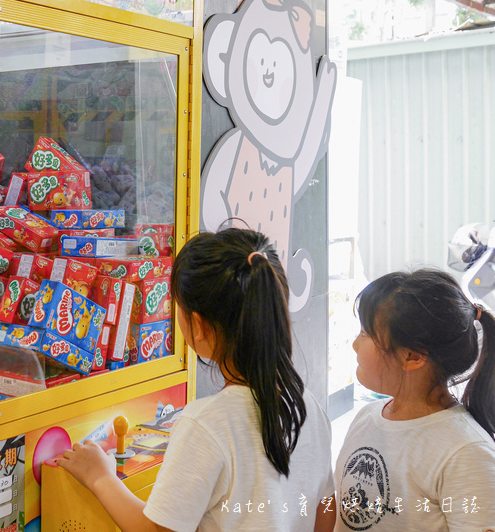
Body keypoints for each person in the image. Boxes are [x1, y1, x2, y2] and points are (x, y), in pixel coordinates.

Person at [57, 228, 336, 532]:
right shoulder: (307, 405)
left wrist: (101, 478)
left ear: (198, 326)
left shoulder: (205, 425)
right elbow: (326, 510)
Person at [335, 269, 495, 530]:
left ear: (412, 357)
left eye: (365, 333)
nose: (354, 344)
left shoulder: (466, 452)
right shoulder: (366, 417)